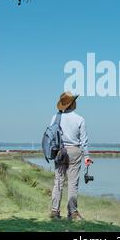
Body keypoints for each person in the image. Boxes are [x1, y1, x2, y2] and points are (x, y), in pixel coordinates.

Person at [49, 91, 93, 220]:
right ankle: (72, 213)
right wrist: (87, 157)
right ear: (72, 104)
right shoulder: (80, 119)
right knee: (73, 183)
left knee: (58, 182)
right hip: (74, 151)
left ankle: (54, 211)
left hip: (59, 151)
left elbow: (52, 136)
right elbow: (84, 141)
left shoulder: (55, 117)